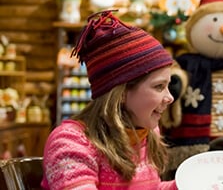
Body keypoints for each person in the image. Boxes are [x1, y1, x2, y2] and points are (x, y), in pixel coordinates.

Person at [41, 10, 177, 189]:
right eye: (159, 86)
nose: (170, 97)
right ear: (120, 93)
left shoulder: (146, 133)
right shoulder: (70, 141)